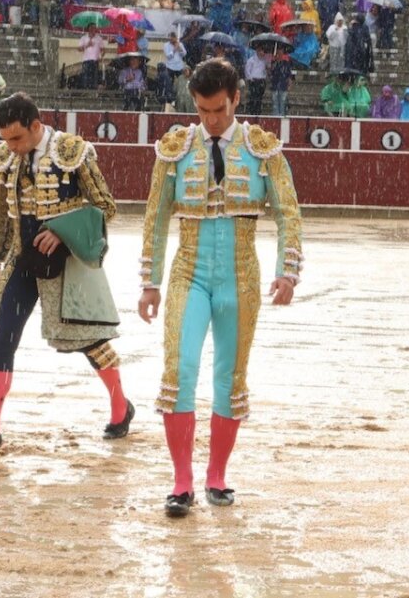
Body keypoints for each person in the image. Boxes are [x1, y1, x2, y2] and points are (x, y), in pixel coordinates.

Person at [137, 59, 302, 516]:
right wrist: (149, 282)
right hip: (188, 271)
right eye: (204, 110)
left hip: (241, 275)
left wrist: (288, 271)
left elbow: (288, 212)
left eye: (220, 110)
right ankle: (181, 481)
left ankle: (217, 476)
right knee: (179, 371)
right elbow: (156, 217)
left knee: (230, 377)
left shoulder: (262, 148)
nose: (211, 120)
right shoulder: (176, 148)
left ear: (236, 99)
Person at [0, 93, 133, 451]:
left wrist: (61, 229)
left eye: (17, 138)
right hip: (20, 258)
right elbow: (5, 217)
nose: (10, 147)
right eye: (5, 139)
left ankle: (121, 408)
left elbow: (106, 206)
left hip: (67, 263)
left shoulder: (73, 152)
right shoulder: (8, 158)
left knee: (88, 340)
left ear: (36, 126)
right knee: (2, 338)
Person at [244, 49, 268, 115]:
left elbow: (265, 70)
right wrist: (250, 79)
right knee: (253, 96)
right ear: (258, 51)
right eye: (261, 51)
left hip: (261, 80)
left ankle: (258, 111)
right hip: (254, 80)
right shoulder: (251, 60)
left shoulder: (264, 60)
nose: (262, 52)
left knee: (259, 97)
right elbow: (247, 70)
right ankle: (252, 111)